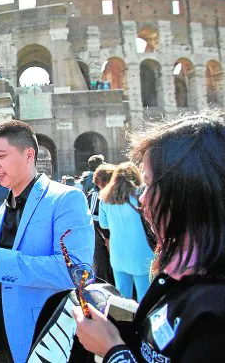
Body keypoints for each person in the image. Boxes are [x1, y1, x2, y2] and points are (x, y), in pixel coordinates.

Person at [74, 111, 225, 362]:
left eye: (150, 184)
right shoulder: (182, 271)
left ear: (187, 189)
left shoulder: (214, 310)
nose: (142, 198)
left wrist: (113, 350)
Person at [0, 119, 94, 363]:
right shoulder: (6, 205)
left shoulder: (66, 199)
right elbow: (3, 267)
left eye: (1, 155)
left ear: (29, 154)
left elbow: (76, 273)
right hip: (2, 335)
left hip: (44, 338)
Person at [99, 162, 154, 301]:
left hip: (118, 253)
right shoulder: (141, 196)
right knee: (145, 297)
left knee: (122, 298)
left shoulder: (105, 198)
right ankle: (143, 322)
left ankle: (122, 323)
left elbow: (103, 225)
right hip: (142, 253)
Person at [88, 163, 116, 284]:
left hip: (110, 237)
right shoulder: (95, 194)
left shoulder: (113, 193)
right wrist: (106, 235)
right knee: (103, 271)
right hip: (100, 239)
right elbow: (92, 216)